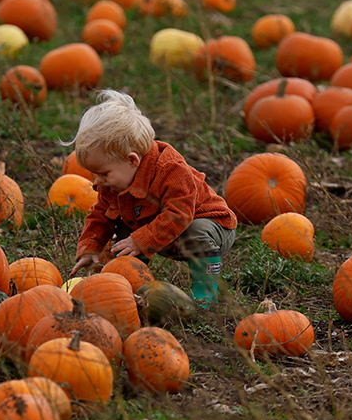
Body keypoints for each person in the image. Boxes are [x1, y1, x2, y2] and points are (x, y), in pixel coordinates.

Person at [67, 89, 237, 306]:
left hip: (211, 226)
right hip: (159, 229)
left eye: (103, 173)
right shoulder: (114, 182)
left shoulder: (171, 171)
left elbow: (180, 215)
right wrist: (91, 247)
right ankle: (130, 292)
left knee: (197, 231)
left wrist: (140, 240)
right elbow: (101, 214)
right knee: (123, 236)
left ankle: (206, 297)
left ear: (132, 160)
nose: (98, 181)